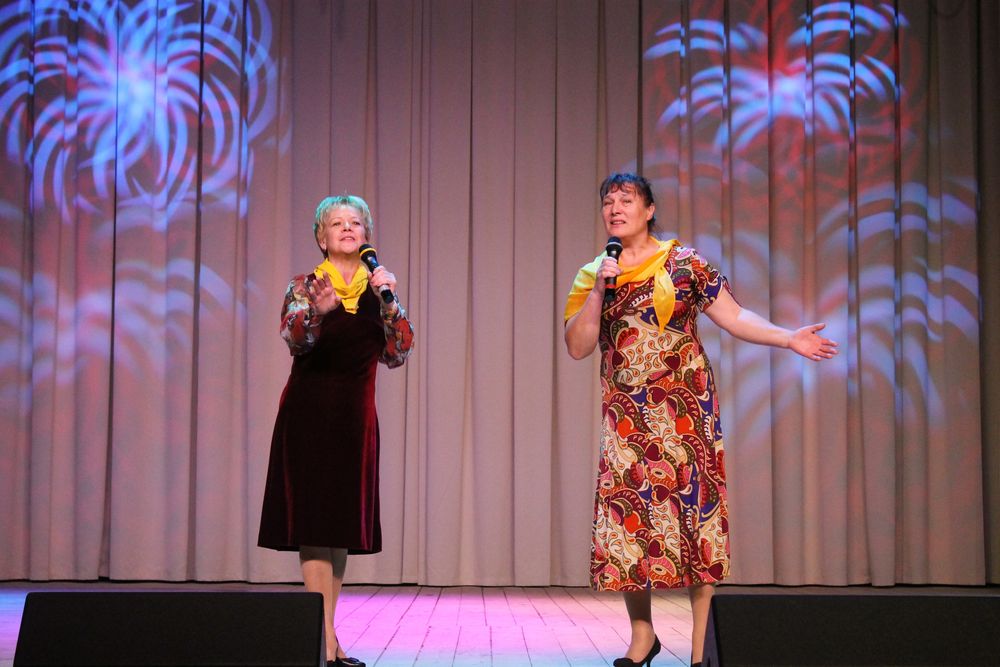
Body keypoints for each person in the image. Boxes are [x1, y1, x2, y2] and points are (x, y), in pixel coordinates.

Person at [563, 173, 837, 667]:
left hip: (687, 413)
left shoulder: (686, 264)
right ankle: (642, 636)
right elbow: (578, 346)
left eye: (627, 200)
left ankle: (699, 648)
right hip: (628, 417)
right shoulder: (593, 274)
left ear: (649, 210)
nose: (615, 208)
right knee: (630, 526)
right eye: (608, 202)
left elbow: (735, 316)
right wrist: (600, 291)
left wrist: (787, 337)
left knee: (697, 522)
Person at [258, 195, 414, 667]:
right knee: (314, 524)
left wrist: (391, 300)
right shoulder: (305, 286)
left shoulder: (379, 289)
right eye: (337, 223)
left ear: (366, 235)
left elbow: (399, 352)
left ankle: (327, 635)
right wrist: (320, 313)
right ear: (321, 237)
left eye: (356, 222)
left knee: (340, 527)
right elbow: (294, 339)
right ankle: (326, 640)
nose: (347, 228)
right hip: (309, 415)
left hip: (355, 420)